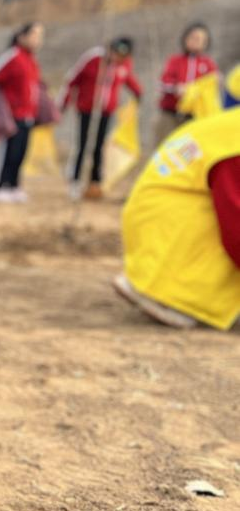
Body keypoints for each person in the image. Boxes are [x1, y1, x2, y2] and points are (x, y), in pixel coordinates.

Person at [116, 107, 240, 330]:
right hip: (169, 248)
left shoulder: (229, 127)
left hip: (157, 241)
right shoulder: (233, 148)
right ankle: (174, 295)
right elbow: (236, 227)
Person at [60, 37, 143, 200]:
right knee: (83, 145)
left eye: (121, 55)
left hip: (107, 112)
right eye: (115, 53)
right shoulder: (93, 59)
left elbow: (129, 80)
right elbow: (72, 80)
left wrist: (138, 94)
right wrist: (64, 103)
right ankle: (75, 180)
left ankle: (95, 182)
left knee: (99, 146)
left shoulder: (124, 65)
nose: (117, 57)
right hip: (87, 110)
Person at [0, 22, 44, 203]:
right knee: (7, 151)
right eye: (34, 35)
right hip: (12, 115)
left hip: (28, 115)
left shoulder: (31, 60)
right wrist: (1, 109)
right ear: (22, 36)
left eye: (40, 36)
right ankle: (0, 186)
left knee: (20, 152)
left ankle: (13, 185)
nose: (37, 40)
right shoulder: (13, 57)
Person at [157, 23, 218, 144]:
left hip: (194, 116)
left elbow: (212, 89)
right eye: (194, 37)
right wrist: (176, 88)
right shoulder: (175, 60)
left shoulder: (208, 64)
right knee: (165, 145)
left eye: (201, 39)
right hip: (171, 112)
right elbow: (163, 83)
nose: (197, 41)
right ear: (186, 39)